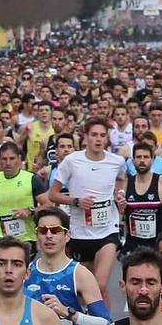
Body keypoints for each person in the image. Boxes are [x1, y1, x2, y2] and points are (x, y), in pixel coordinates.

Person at [48, 116, 125, 298]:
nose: (98, 139)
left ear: (107, 138)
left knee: (100, 283)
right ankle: (98, 324)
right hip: (79, 232)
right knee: (87, 290)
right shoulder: (72, 160)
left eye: (102, 135)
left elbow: (122, 179)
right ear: (86, 137)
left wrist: (119, 195)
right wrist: (76, 201)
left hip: (108, 230)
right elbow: (53, 194)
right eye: (94, 135)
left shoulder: (117, 161)